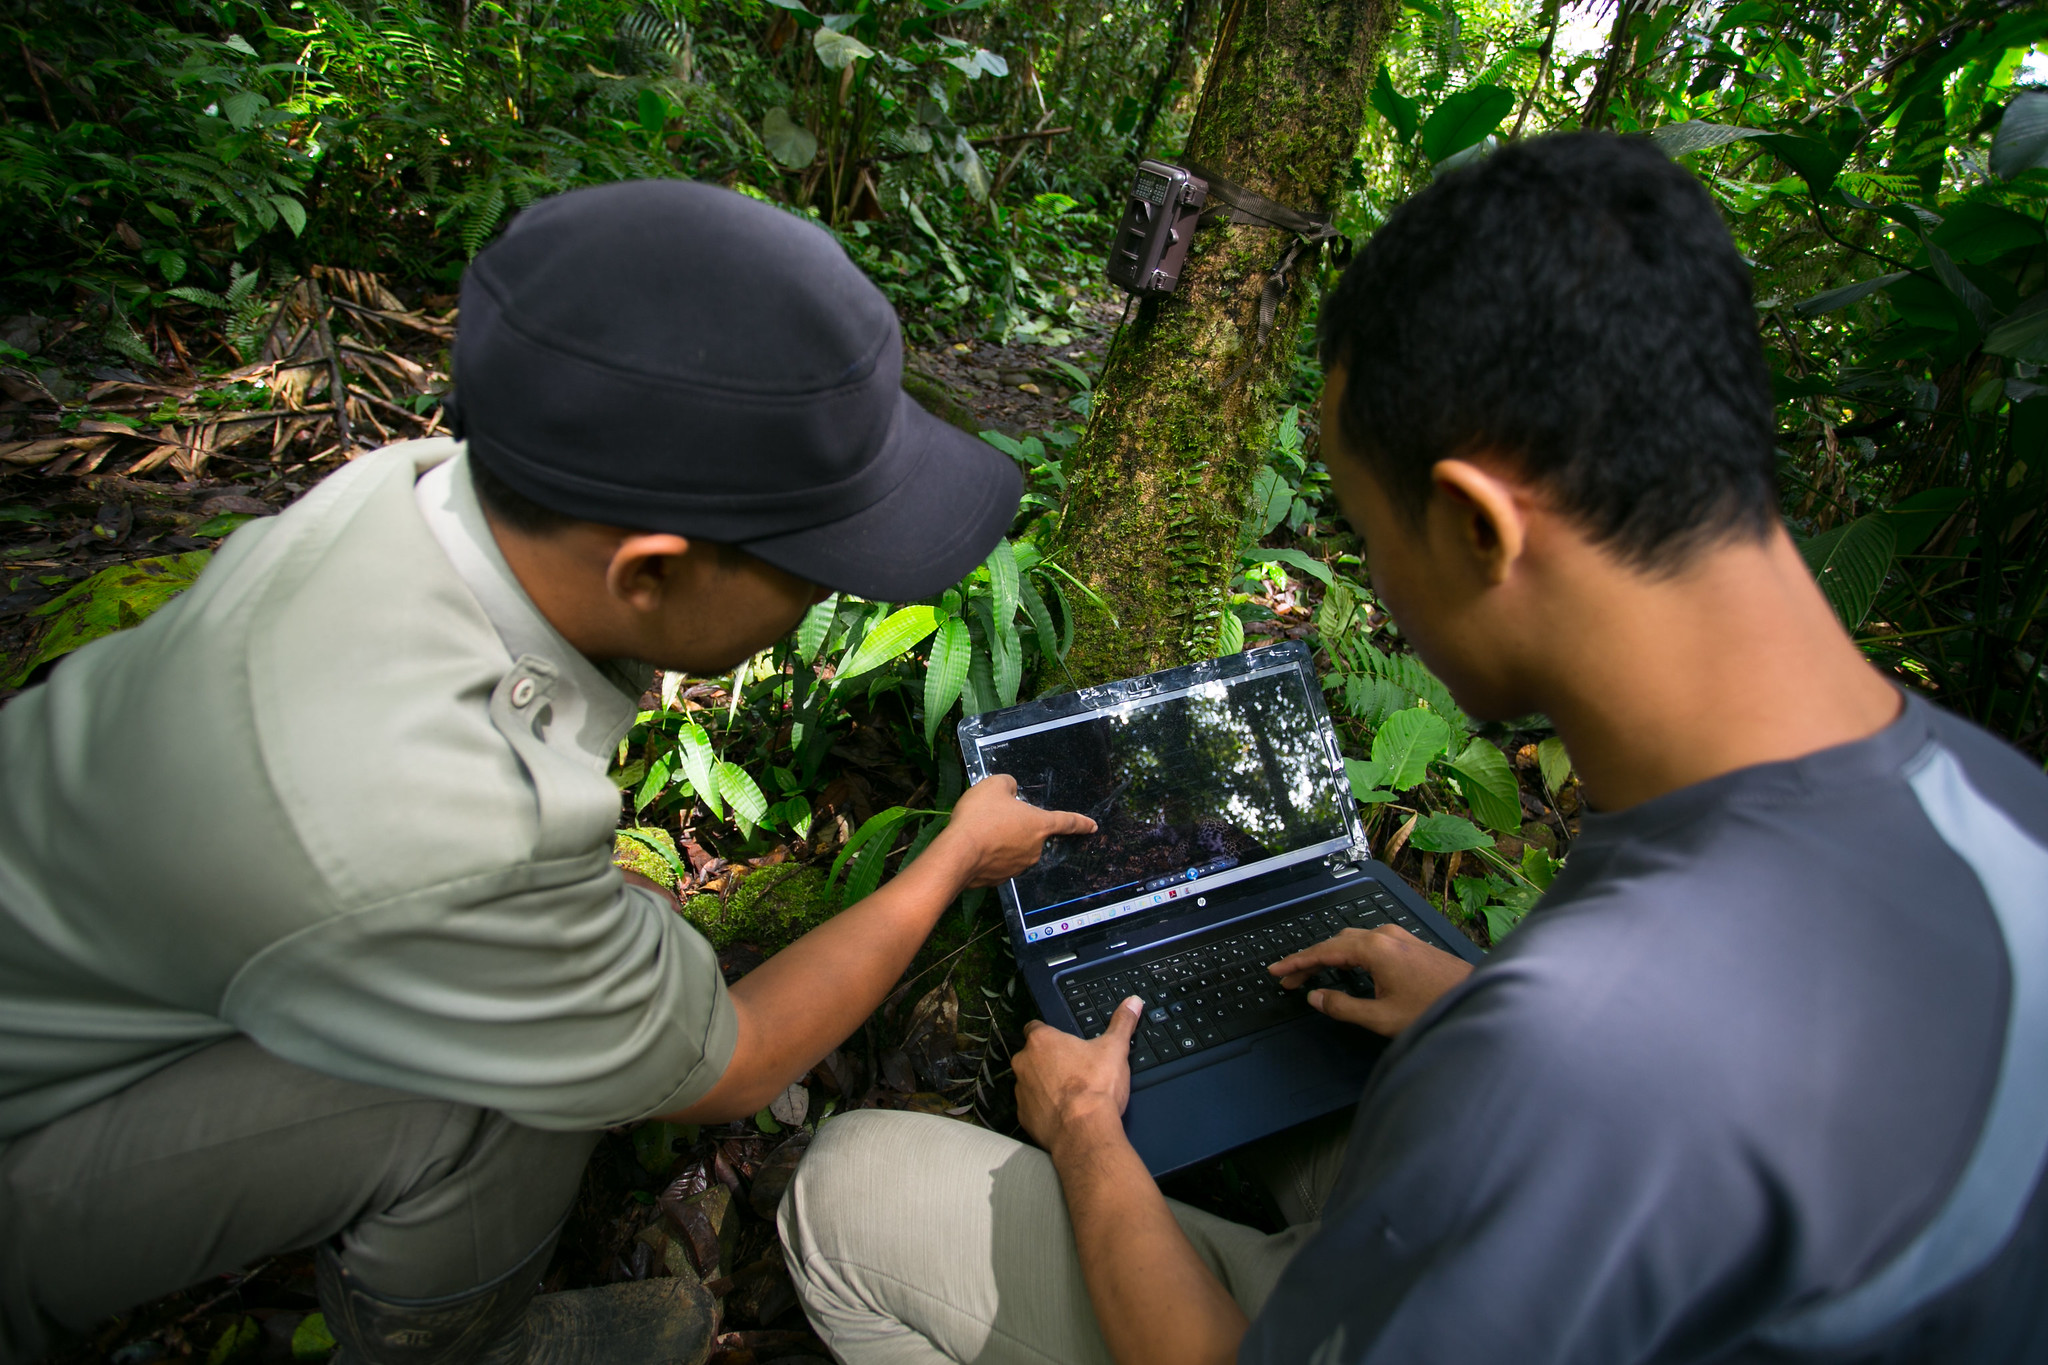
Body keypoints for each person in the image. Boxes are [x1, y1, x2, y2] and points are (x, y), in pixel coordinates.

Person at [777, 132, 2048, 1363]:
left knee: (841, 1195)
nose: (1373, 589)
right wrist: (1470, 1005)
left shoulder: (1570, 1067)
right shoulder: (2004, 809)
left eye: (1367, 527)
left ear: (1476, 529)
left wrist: (1087, 1135)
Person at [0, 180, 1095, 1365]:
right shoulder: (451, 825)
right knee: (513, 1096)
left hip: (93, 967)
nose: (821, 602)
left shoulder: (405, 493)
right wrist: (949, 861)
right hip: (35, 1132)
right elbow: (727, 1061)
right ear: (650, 574)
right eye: (815, 570)